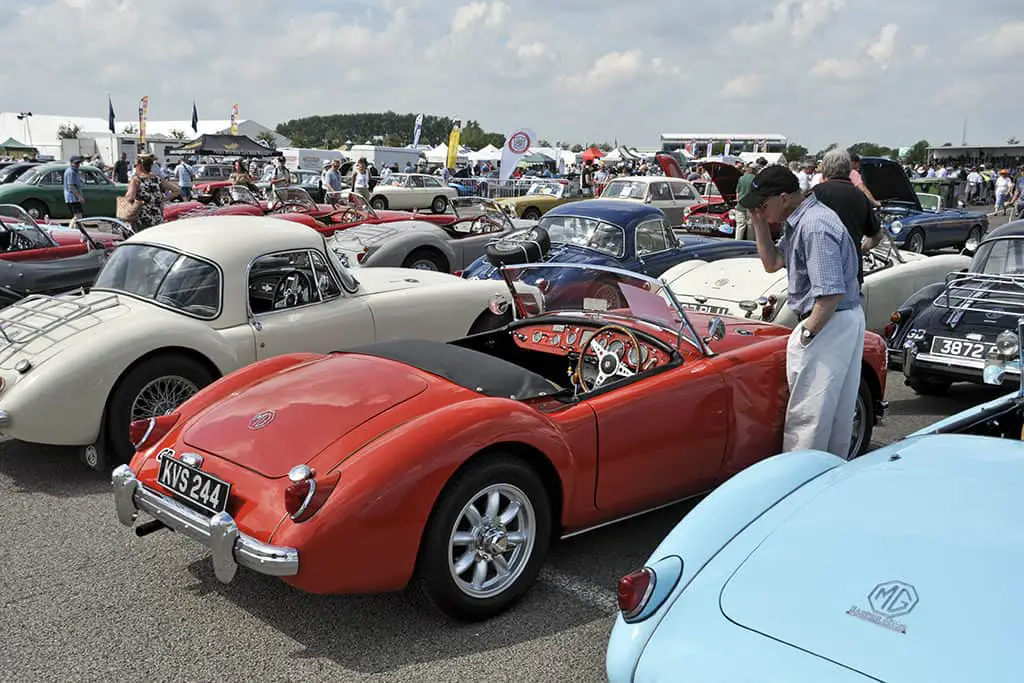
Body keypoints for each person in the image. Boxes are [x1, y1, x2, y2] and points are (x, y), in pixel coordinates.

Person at [741, 165, 865, 458]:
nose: (759, 208)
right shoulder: (802, 219)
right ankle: (826, 481)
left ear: (783, 197)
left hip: (828, 319)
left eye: (762, 203)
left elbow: (830, 292)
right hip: (836, 318)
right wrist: (758, 222)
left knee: (809, 418)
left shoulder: (814, 225)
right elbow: (772, 262)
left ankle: (799, 485)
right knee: (831, 416)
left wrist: (807, 333)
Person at [811, 148, 882, 284]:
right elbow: (877, 236)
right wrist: (860, 249)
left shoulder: (813, 195)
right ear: (849, 169)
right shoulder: (860, 197)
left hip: (819, 275)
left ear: (825, 169)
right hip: (851, 275)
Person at [124, 154, 165, 231]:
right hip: (157, 219)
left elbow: (130, 198)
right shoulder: (156, 179)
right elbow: (176, 190)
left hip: (143, 219)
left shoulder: (136, 180)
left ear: (139, 165)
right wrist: (162, 199)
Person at [733, 163, 756, 240]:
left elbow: (737, 193)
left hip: (741, 204)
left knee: (740, 225)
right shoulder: (756, 179)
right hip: (751, 205)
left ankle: (737, 243)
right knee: (750, 226)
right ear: (755, 170)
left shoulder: (741, 178)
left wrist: (738, 202)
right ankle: (749, 244)